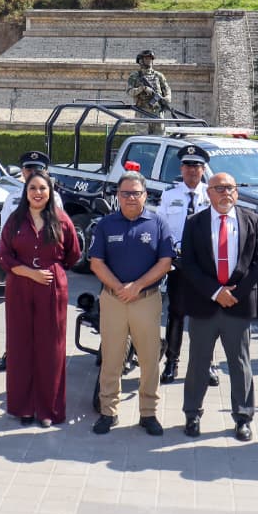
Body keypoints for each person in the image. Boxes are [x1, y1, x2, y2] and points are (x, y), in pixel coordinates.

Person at [180, 171, 258, 441]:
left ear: (237, 192)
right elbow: (188, 263)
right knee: (197, 363)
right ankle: (192, 414)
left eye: (229, 188)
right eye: (218, 188)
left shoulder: (252, 220)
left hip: (237, 305)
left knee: (240, 363)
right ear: (209, 193)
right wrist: (215, 292)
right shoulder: (195, 223)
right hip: (204, 303)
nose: (224, 193)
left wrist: (235, 293)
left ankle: (243, 417)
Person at [88, 172, 175, 436]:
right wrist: (119, 288)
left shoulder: (158, 223)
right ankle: (108, 411)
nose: (130, 198)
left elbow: (165, 262)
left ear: (145, 195)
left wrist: (136, 287)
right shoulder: (105, 224)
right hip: (113, 300)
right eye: (125, 193)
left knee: (149, 360)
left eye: (136, 193)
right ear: (117, 195)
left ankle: (148, 413)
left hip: (146, 300)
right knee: (112, 358)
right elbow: (96, 262)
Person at [0, 171, 80, 427]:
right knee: (21, 346)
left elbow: (73, 254)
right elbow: (4, 256)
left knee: (51, 349)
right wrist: (30, 273)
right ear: (26, 191)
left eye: (42, 188)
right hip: (20, 286)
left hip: (51, 288)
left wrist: (51, 270)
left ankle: (49, 410)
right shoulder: (15, 220)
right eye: (32, 188)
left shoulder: (61, 219)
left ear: (50, 192)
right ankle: (23, 407)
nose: (37, 193)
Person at [0, 150, 64, 374]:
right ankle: (12, 353)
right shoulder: (11, 197)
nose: (32, 173)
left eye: (38, 169)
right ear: (22, 172)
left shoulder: (54, 198)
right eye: (28, 169)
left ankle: (42, 357)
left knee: (45, 320)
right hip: (18, 267)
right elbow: (7, 232)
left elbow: (62, 237)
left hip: (45, 270)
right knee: (17, 319)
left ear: (46, 172)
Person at [155, 144, 212, 385]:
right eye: (188, 166)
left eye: (196, 166)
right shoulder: (170, 195)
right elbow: (161, 227)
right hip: (180, 264)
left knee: (206, 317)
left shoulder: (212, 194)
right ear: (181, 168)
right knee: (176, 314)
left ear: (203, 169)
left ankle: (206, 365)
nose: (191, 170)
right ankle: (172, 363)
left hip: (206, 265)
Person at [126, 49, 172, 133]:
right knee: (142, 139)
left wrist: (167, 98)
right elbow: (129, 91)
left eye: (151, 59)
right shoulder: (135, 76)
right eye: (147, 58)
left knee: (160, 138)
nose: (149, 60)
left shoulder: (158, 75)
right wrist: (142, 88)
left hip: (157, 112)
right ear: (140, 61)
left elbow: (167, 89)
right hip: (142, 112)